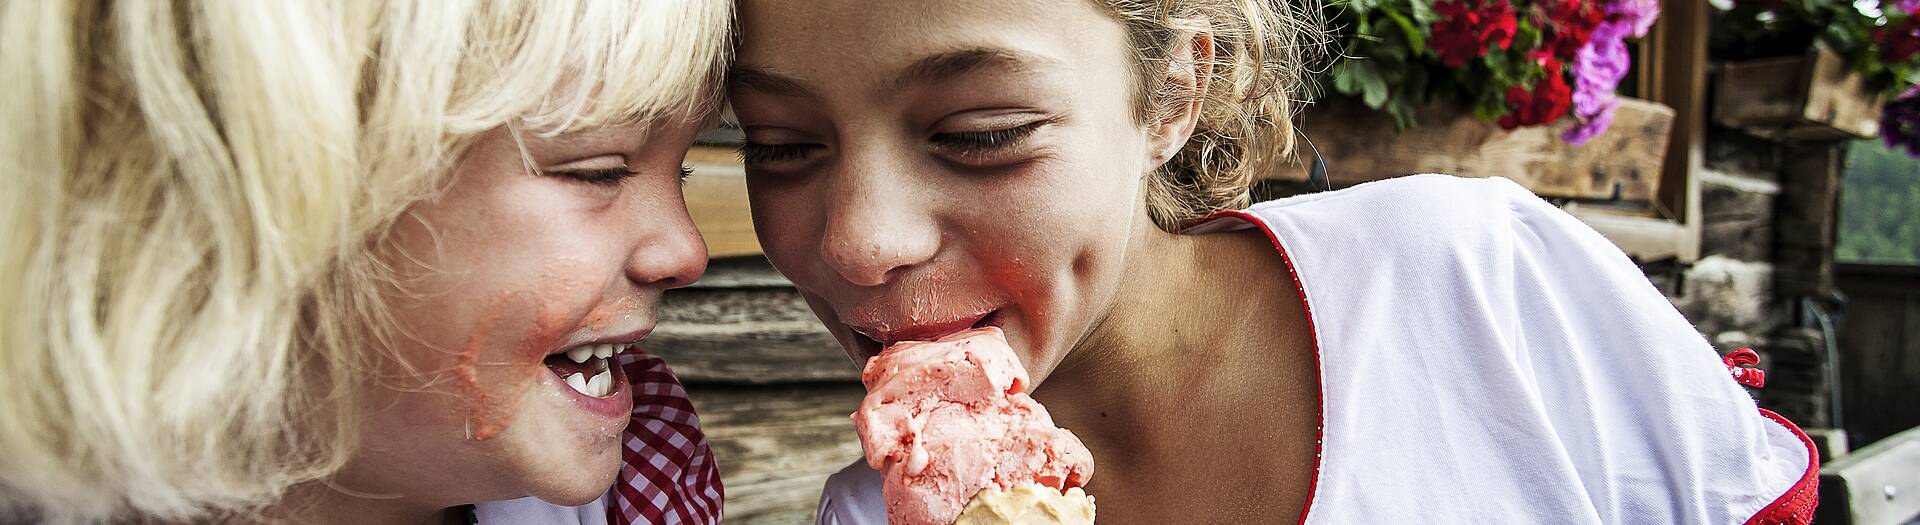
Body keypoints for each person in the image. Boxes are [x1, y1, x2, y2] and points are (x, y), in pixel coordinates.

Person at [724, 0, 1819, 523]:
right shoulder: (873, 516)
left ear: (1169, 96)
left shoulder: (1479, 285)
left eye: (980, 132)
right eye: (778, 147)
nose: (859, 241)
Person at [0, 1, 729, 523]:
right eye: (598, 171)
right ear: (240, 211)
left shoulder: (640, 483)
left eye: (685, 171)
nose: (685, 250)